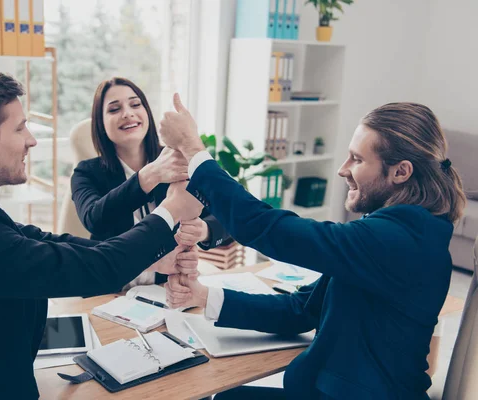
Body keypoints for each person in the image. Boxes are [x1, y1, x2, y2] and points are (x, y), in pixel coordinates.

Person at [0, 62, 202, 400]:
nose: (32, 141)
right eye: (20, 128)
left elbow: (38, 240)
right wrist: (170, 211)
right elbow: (90, 269)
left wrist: (152, 261)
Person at [161, 95, 466, 400]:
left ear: (401, 172)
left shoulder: (398, 239)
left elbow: (270, 228)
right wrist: (203, 296)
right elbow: (302, 310)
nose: (342, 169)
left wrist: (193, 149)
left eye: (357, 159)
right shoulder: (396, 230)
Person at [70, 77, 230, 288]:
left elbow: (229, 216)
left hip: (166, 289)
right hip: (108, 291)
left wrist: (204, 230)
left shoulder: (177, 161)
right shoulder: (86, 172)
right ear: (101, 124)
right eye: (114, 109)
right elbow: (95, 219)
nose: (127, 113)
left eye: (135, 104)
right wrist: (150, 175)